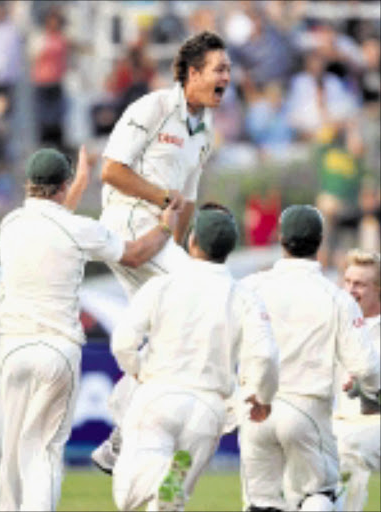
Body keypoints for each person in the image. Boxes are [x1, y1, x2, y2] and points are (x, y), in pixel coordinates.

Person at [0, 146, 178, 512]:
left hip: (12, 350)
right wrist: (166, 223)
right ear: (62, 186)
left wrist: (77, 182)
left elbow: (54, 219)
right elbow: (137, 253)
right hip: (57, 349)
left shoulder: (9, 224)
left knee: (13, 450)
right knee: (44, 451)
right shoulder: (78, 229)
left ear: (28, 184)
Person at [92, 30, 231, 472]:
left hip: (156, 235)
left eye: (228, 69)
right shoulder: (153, 107)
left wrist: (176, 241)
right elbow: (111, 170)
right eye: (219, 70)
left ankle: (120, 438)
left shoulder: (205, 131)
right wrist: (159, 201)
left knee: (173, 333)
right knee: (201, 299)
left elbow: (186, 201)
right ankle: (125, 431)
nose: (227, 78)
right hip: (125, 224)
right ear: (192, 74)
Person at [111, 204, 279, 511]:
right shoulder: (245, 296)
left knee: (127, 496)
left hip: (159, 394)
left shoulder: (162, 285)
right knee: (169, 504)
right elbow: (266, 355)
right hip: (209, 410)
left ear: (192, 242)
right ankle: (166, 477)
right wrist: (263, 397)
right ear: (229, 249)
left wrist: (135, 370)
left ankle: (160, 474)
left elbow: (123, 342)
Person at [238, 205, 380, 512]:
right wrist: (372, 393)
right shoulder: (336, 297)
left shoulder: (251, 286)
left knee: (261, 503)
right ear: (320, 240)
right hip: (306, 409)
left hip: (254, 408)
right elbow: (366, 366)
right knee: (319, 494)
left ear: (281, 238)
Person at [333, 249, 380, 512]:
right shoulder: (336, 323)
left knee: (347, 448)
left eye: (360, 284)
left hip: (373, 422)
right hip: (340, 422)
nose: (351, 290)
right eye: (348, 282)